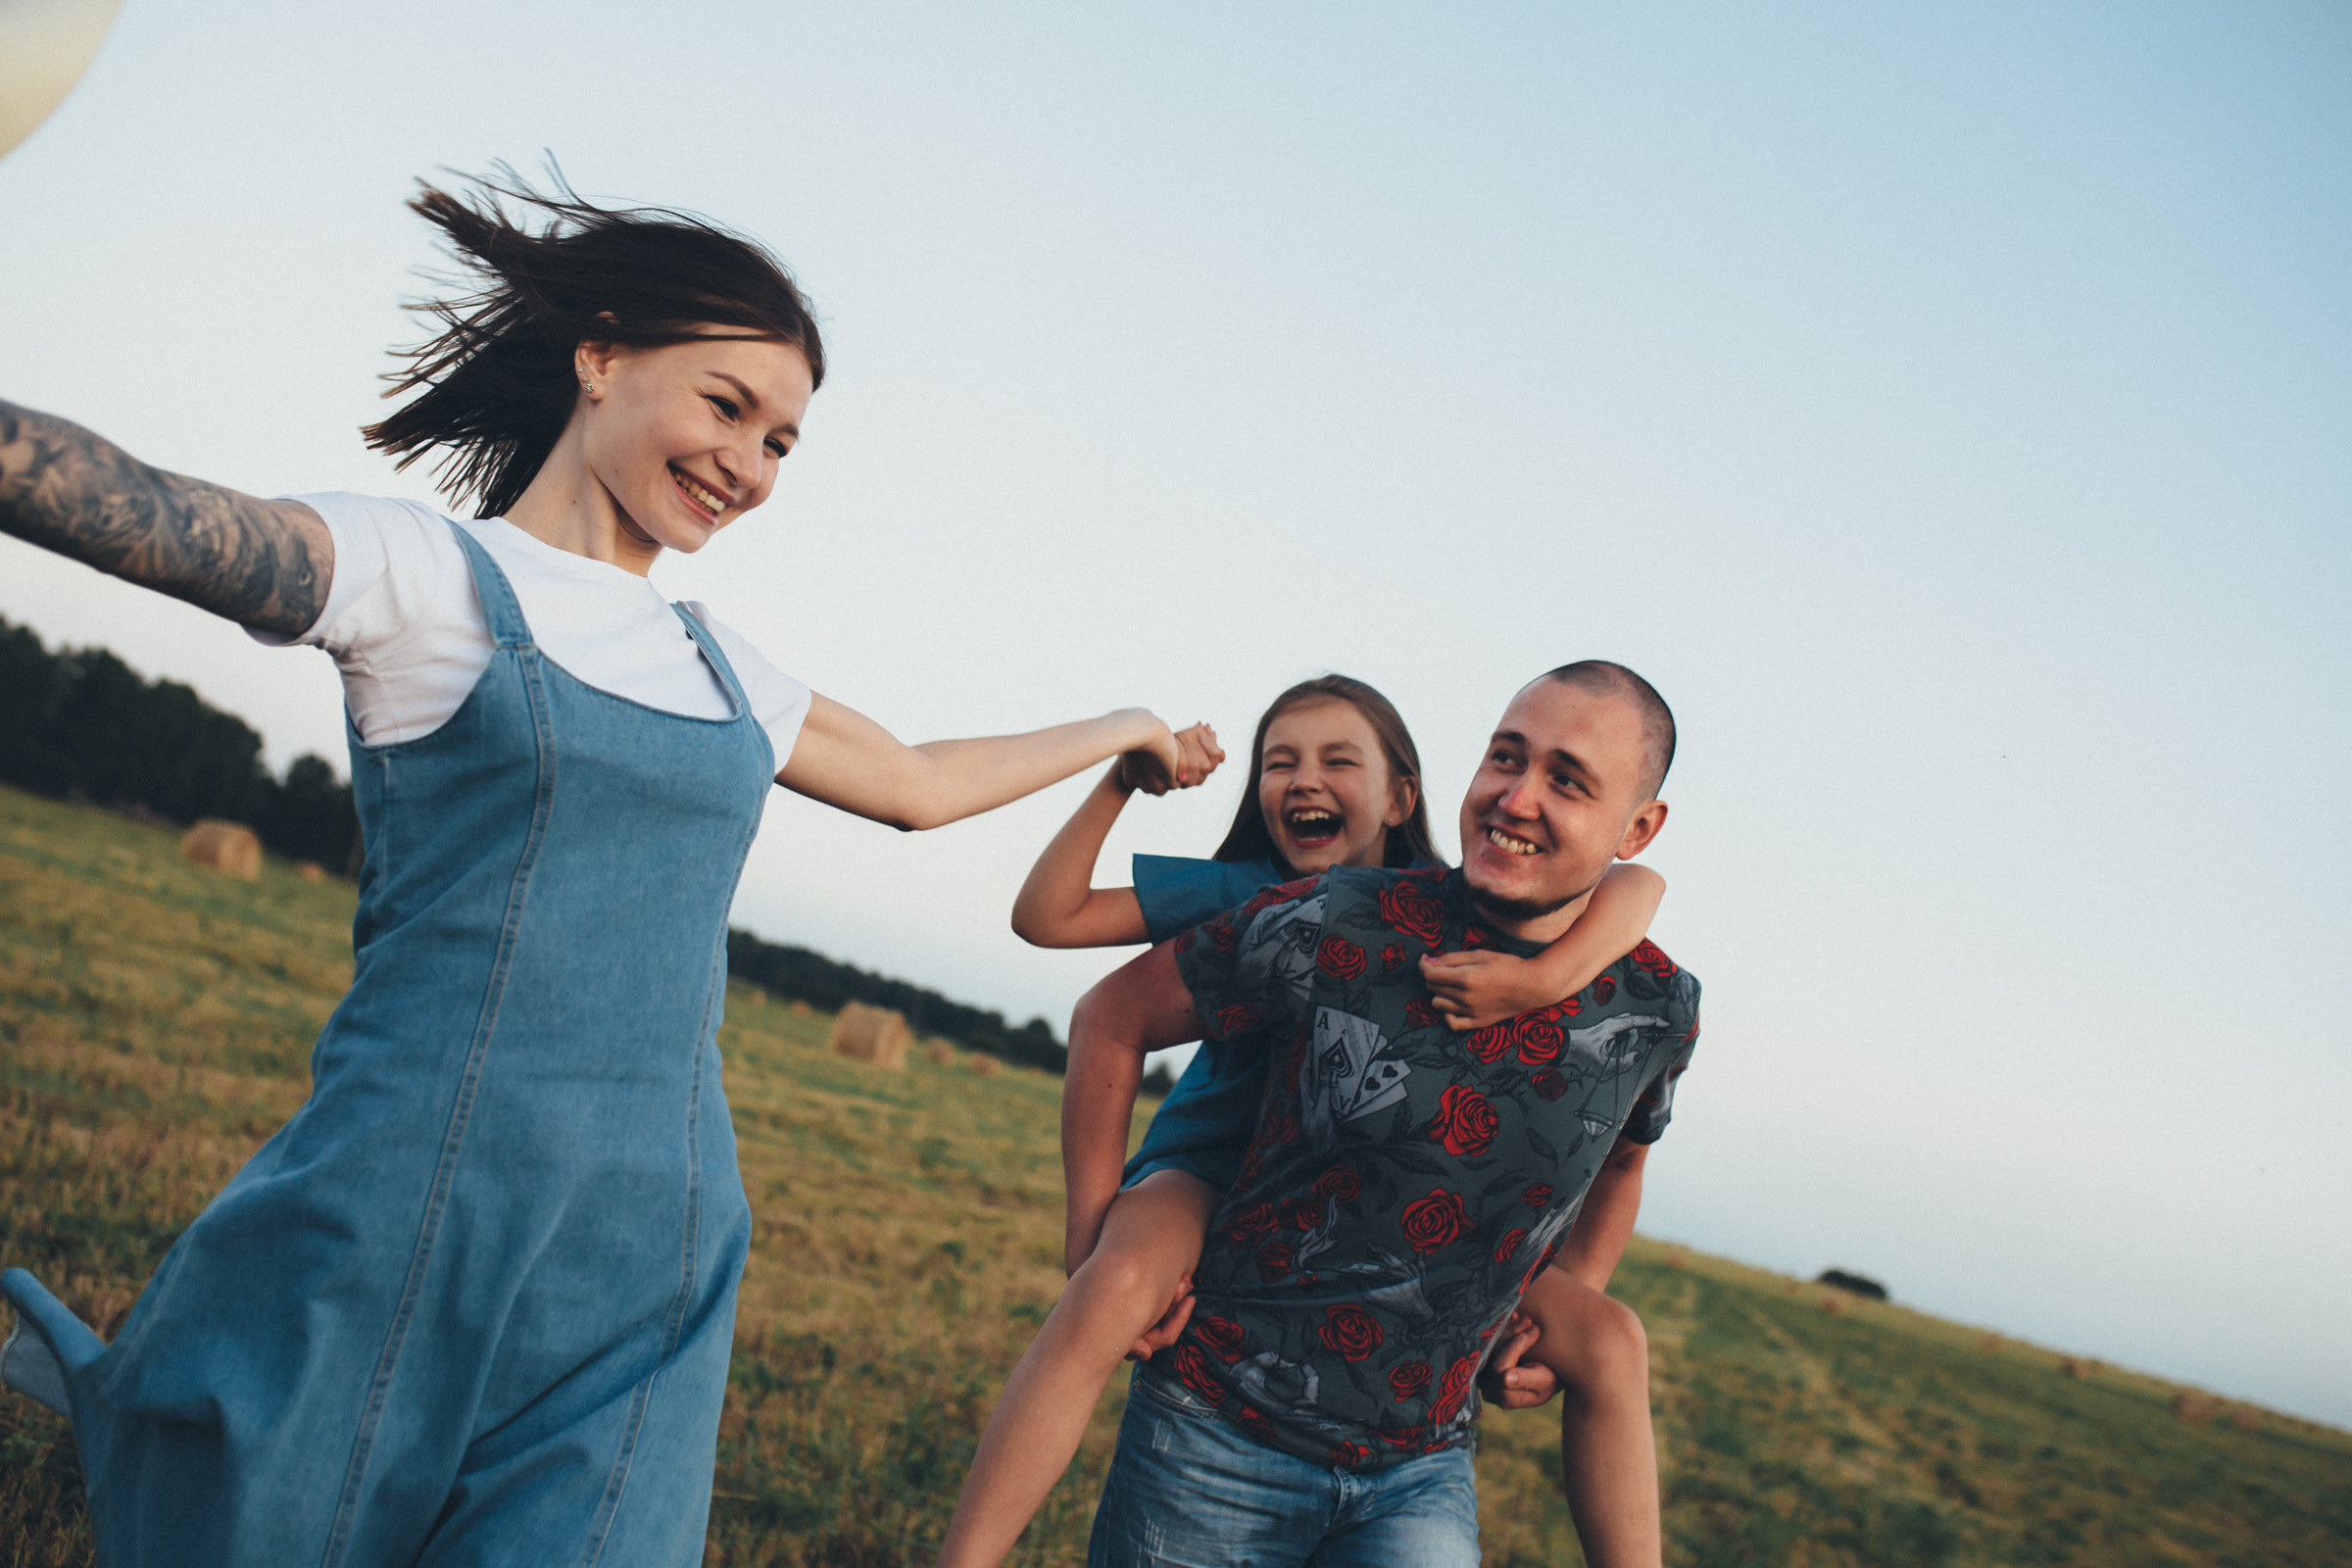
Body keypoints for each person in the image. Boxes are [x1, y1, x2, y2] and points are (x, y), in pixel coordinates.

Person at [0, 172, 1214, 1568]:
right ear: (601, 356)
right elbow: (156, 516)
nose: (749, 466)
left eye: (782, 444)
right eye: (725, 406)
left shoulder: (719, 666)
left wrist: (1117, 728)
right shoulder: (429, 577)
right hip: (416, 1201)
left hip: (656, 1230)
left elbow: (921, 786)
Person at [934, 674, 1669, 1568]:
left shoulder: (1512, 930)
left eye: (1336, 761)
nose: (1304, 781)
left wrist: (1547, 978)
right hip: (1216, 1175)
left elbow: (1633, 888)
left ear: (1403, 795)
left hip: (1396, 1313)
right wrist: (1122, 778)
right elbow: (1067, 947)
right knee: (1117, 1282)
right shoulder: (1285, 905)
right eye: (1278, 762)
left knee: (1612, 1338)